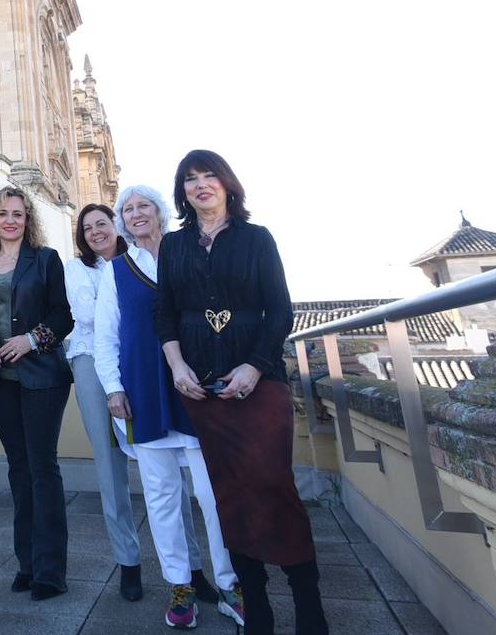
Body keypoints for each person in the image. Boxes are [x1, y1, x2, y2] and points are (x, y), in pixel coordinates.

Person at [155, 150, 327, 635]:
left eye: (210, 176)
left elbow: (280, 311)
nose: (201, 185)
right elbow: (164, 313)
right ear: (182, 192)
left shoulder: (256, 239)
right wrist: (177, 365)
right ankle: (257, 607)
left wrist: (253, 366)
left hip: (260, 384)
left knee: (274, 486)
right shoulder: (174, 246)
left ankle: (308, 603)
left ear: (228, 185)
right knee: (229, 495)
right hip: (203, 390)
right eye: (190, 179)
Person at [93, 185, 242, 629]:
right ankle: (180, 585)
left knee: (214, 495)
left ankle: (231, 582)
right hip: (143, 389)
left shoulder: (190, 254)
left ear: (160, 212)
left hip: (197, 387)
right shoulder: (116, 271)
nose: (136, 213)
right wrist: (113, 389)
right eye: (128, 209)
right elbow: (106, 337)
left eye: (144, 206)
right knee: (160, 497)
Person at [0, 186, 74, 600]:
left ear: (27, 219)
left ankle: (51, 571)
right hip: (0, 380)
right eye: (2, 214)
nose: (10, 220)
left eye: (17, 213)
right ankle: (27, 562)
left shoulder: (46, 260)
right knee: (18, 468)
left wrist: (31, 340)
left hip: (42, 376)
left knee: (42, 468)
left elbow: (63, 316)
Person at [64, 203, 145, 601]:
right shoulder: (77, 268)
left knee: (163, 460)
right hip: (91, 362)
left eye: (102, 224)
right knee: (109, 463)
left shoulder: (141, 260)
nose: (95, 232)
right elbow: (89, 316)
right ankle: (128, 560)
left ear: (117, 226)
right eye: (87, 227)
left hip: (141, 362)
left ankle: (191, 567)